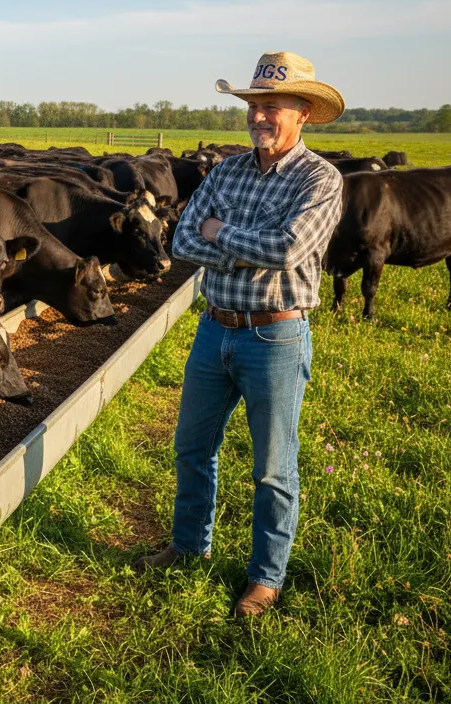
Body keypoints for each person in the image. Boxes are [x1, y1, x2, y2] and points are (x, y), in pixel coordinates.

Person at [136, 51, 345, 618]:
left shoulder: (320, 180)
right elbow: (182, 242)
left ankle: (265, 579)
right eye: (254, 105)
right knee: (191, 447)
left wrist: (221, 231)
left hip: (275, 338)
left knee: (273, 467)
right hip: (215, 329)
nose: (259, 116)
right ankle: (188, 546)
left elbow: (286, 251)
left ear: (302, 113)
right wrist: (239, 243)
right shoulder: (226, 170)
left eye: (272, 106)